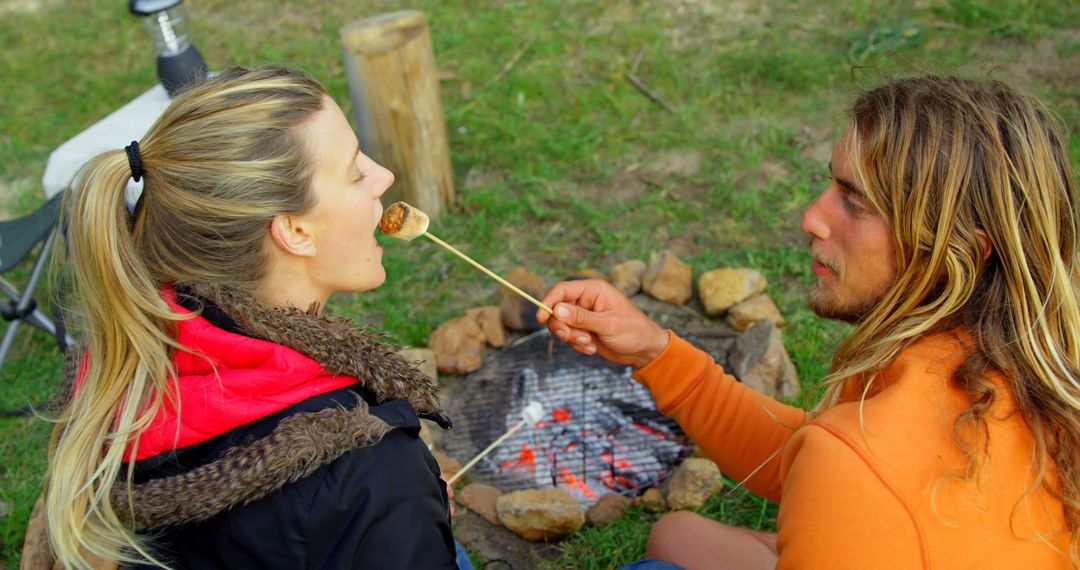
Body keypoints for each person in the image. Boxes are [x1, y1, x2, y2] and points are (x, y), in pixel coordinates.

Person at [539, 76, 1079, 569]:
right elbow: (808, 458)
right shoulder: (1032, 366)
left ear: (955, 251)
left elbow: (843, 469)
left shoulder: (859, 466)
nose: (812, 218)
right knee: (677, 536)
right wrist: (654, 351)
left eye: (855, 202)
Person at [41, 65, 463, 569]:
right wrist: (408, 509)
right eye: (355, 171)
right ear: (295, 231)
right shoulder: (372, 476)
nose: (384, 177)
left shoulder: (117, 361)